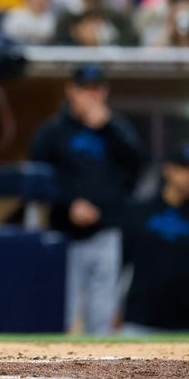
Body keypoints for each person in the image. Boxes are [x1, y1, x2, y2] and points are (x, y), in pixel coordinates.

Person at [30, 64, 144, 334]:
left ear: (104, 92)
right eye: (84, 90)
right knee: (63, 311)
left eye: (96, 90)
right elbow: (38, 178)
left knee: (102, 313)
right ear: (72, 91)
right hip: (64, 233)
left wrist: (109, 128)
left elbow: (137, 166)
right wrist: (69, 203)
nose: (90, 97)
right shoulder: (53, 131)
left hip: (106, 230)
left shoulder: (117, 129)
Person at [120, 145, 189, 332]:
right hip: (140, 320)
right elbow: (120, 262)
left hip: (184, 324)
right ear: (169, 170)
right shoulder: (140, 211)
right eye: (184, 169)